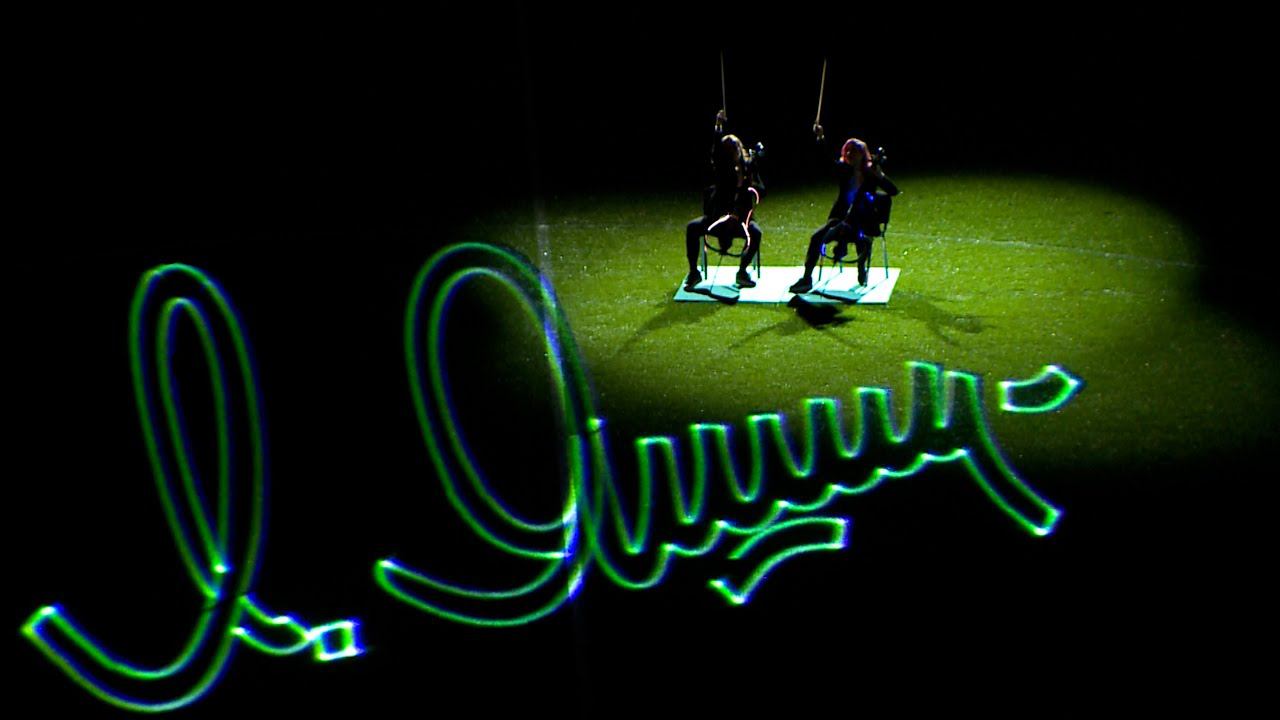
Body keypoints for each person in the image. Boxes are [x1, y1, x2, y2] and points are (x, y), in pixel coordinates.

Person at [789, 124, 899, 293]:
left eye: (853, 151)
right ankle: (806, 278)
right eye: (847, 151)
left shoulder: (870, 174)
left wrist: (880, 176)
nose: (849, 154)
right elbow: (826, 159)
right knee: (817, 237)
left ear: (862, 154)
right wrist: (820, 137)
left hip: (863, 223)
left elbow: (893, 191)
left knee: (861, 237)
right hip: (840, 220)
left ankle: (860, 266)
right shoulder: (844, 171)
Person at [684, 109, 765, 290]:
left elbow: (761, 189)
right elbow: (715, 154)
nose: (732, 152)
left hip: (740, 221)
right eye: (728, 149)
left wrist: (749, 186)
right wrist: (718, 126)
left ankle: (742, 272)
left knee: (756, 233)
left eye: (734, 148)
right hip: (718, 220)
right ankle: (693, 272)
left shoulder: (748, 168)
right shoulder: (722, 170)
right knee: (692, 227)